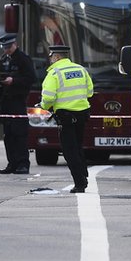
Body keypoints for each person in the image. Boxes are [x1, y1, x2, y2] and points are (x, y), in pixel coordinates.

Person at [38, 44, 92, 193]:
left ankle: (80, 183)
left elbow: (48, 98)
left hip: (66, 117)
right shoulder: (81, 69)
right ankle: (84, 174)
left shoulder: (54, 73)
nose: (50, 59)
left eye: (51, 56)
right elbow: (90, 92)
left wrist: (43, 105)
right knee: (78, 146)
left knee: (69, 151)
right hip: (81, 114)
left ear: (56, 56)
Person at [0, 33, 36, 174]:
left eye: (9, 47)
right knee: (8, 135)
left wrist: (14, 81)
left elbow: (30, 78)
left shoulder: (23, 59)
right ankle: (12, 163)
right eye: (4, 47)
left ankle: (23, 164)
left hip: (17, 100)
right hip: (5, 101)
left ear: (15, 44)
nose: (7, 50)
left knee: (19, 133)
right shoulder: (3, 59)